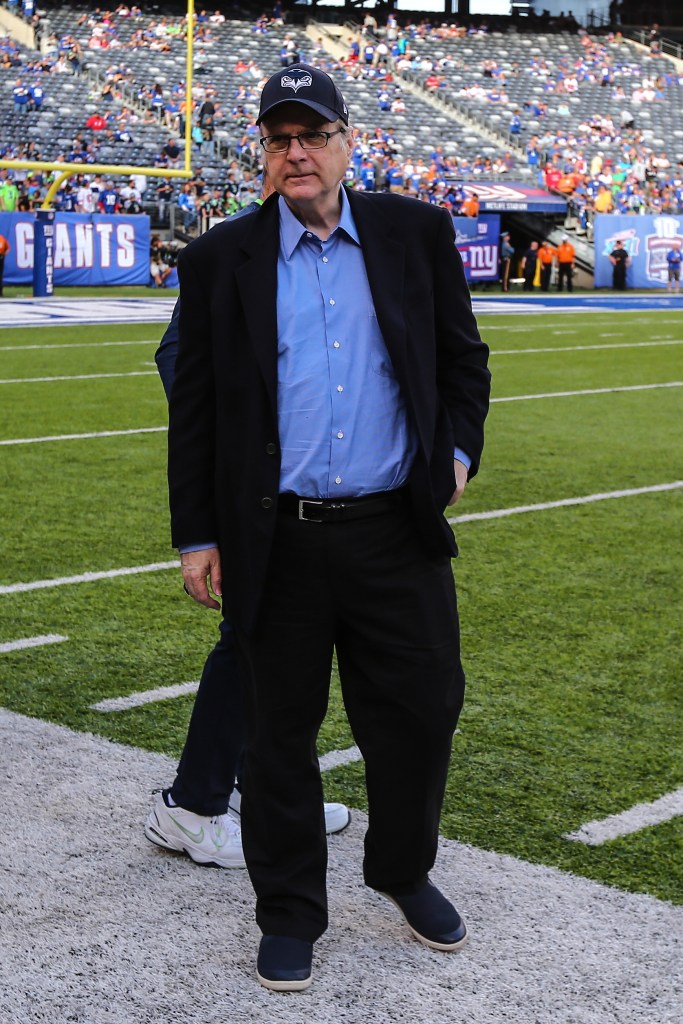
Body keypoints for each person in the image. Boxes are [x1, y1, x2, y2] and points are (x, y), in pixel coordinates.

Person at [167, 64, 490, 992]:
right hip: (280, 539)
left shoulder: (415, 234)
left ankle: (401, 870)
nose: (297, 152)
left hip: (396, 530)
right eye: (280, 139)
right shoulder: (219, 259)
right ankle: (290, 912)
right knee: (278, 735)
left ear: (348, 143)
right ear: (263, 155)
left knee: (421, 714)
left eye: (313, 135)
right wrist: (197, 533)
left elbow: (463, 366)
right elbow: (195, 413)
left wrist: (456, 459)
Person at [145, 188, 350, 868]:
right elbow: (179, 357)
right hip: (256, 491)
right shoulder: (234, 248)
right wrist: (244, 441)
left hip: (312, 491)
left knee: (287, 645)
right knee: (249, 642)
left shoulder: (337, 246)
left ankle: (259, 788)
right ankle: (191, 805)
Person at [0, 231, 10, 297]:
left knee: (0, 276)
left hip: (1, 257)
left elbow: (8, 248)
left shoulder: (2, 238)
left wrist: (4, 254)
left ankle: (0, 292)